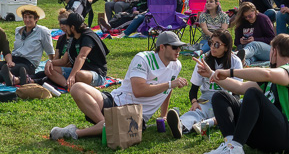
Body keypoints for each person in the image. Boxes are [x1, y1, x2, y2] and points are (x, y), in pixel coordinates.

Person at [196, 33, 289, 154]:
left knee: (253, 94)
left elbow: (267, 74)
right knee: (221, 97)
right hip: (268, 135)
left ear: (274, 51)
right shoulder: (272, 75)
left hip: (288, 138)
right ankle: (231, 146)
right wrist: (212, 74)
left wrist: (229, 72)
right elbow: (239, 87)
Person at [50, 30, 185, 141]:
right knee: (77, 88)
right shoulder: (143, 59)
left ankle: (78, 132)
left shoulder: (176, 65)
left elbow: (167, 91)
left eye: (180, 47)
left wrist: (163, 115)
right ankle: (105, 125)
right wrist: (169, 84)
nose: (178, 50)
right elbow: (139, 90)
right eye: (174, 47)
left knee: (114, 121)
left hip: (135, 115)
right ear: (162, 47)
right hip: (116, 100)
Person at [171, 29, 242, 138]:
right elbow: (194, 89)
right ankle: (181, 125)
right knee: (197, 111)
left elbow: (237, 92)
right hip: (207, 98)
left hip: (226, 98)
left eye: (217, 44)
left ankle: (209, 122)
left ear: (226, 47)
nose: (212, 47)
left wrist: (232, 107)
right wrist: (194, 102)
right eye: (211, 43)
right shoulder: (203, 59)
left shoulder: (235, 61)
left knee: (235, 108)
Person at [43, 11, 108, 89]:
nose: (64, 28)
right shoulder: (73, 38)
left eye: (66, 25)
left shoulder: (88, 37)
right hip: (77, 70)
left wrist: (72, 75)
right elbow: (63, 61)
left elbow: (82, 56)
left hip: (95, 73)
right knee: (50, 69)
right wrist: (50, 62)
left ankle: (72, 82)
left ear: (72, 27)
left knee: (79, 75)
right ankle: (67, 85)